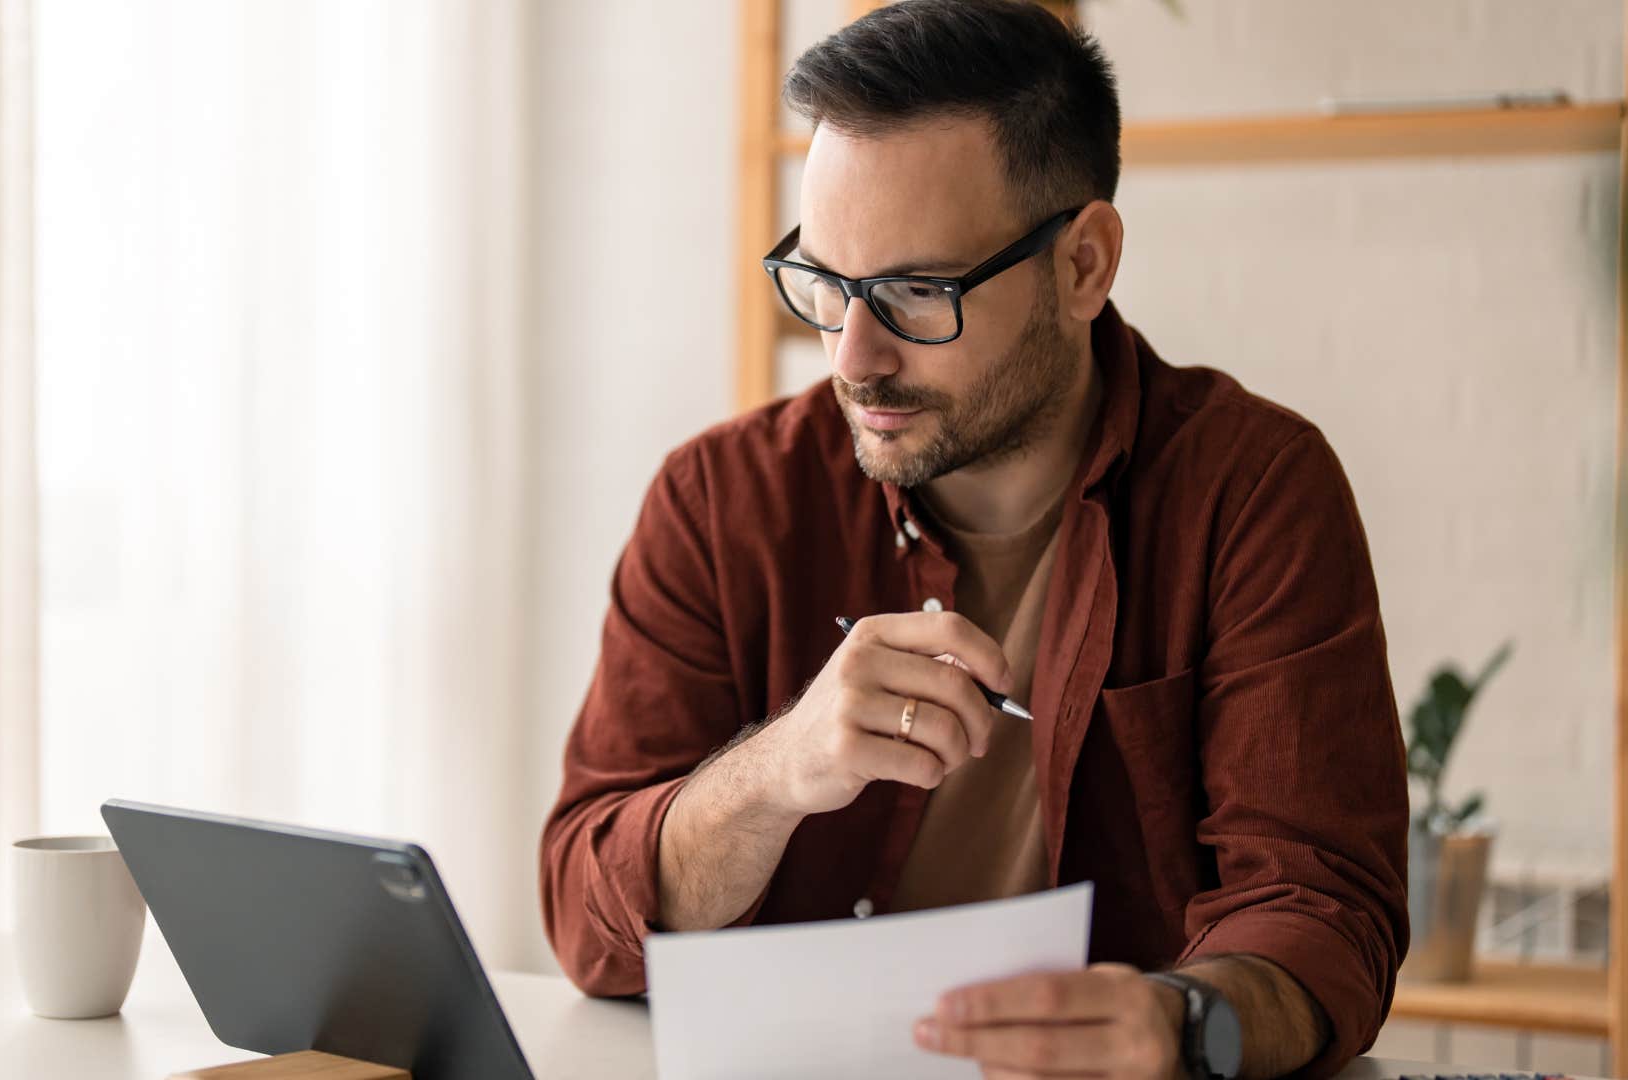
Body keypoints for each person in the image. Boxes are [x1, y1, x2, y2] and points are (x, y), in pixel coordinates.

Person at [539, 2, 1409, 1077]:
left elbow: (1325, 908)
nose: (852, 358)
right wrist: (774, 773)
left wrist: (1181, 1024)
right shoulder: (720, 501)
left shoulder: (1253, 492)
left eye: (916, 290)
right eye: (826, 281)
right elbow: (586, 915)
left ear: (1084, 265)